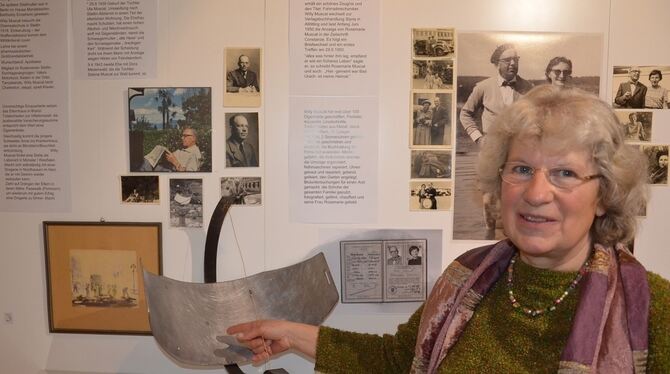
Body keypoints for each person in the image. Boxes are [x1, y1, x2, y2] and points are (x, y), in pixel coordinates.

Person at [227, 86, 670, 373]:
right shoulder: (468, 279)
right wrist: (290, 333)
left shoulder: (653, 311)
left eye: (565, 174)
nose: (536, 193)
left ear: (605, 194)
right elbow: (400, 360)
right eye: (521, 168)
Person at [460, 43, 534, 235]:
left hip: (519, 152)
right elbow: (465, 114)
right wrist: (478, 138)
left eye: (515, 59)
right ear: (496, 63)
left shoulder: (528, 88)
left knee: (519, 193)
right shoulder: (483, 87)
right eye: (507, 60)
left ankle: (514, 236)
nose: (512, 64)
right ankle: (488, 235)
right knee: (488, 196)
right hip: (491, 150)